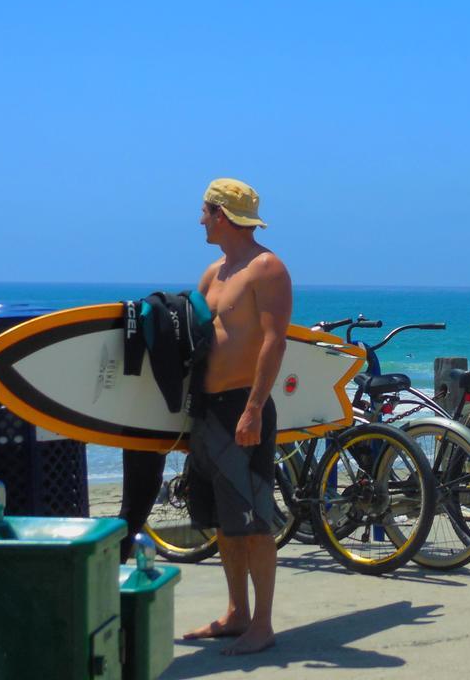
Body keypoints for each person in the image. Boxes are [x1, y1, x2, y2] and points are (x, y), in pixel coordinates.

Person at [181, 178, 292, 656]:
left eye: (205, 212)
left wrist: (252, 410)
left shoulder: (266, 268)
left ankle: (262, 624)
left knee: (254, 523)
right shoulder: (213, 273)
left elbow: (274, 341)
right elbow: (193, 339)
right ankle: (236, 613)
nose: (200, 220)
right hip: (209, 412)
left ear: (221, 214)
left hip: (244, 407)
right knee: (227, 525)